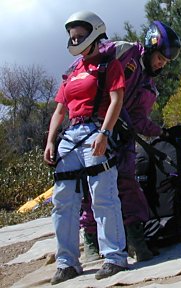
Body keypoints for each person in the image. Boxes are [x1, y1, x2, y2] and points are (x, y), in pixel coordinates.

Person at [79, 21, 181, 262]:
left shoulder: (149, 88)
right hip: (94, 127)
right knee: (90, 187)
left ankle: (136, 242)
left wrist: (160, 132)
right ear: (151, 45)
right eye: (160, 58)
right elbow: (85, 68)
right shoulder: (122, 51)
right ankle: (92, 242)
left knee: (128, 185)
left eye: (165, 63)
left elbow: (138, 120)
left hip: (122, 139)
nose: (161, 64)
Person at [44, 11, 128, 285]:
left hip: (95, 131)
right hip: (71, 138)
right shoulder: (70, 72)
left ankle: (114, 257)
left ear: (95, 33)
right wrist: (50, 141)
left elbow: (116, 100)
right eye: (72, 37)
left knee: (102, 194)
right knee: (63, 201)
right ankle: (67, 263)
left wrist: (105, 132)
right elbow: (60, 110)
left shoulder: (108, 65)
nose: (75, 40)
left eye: (80, 36)